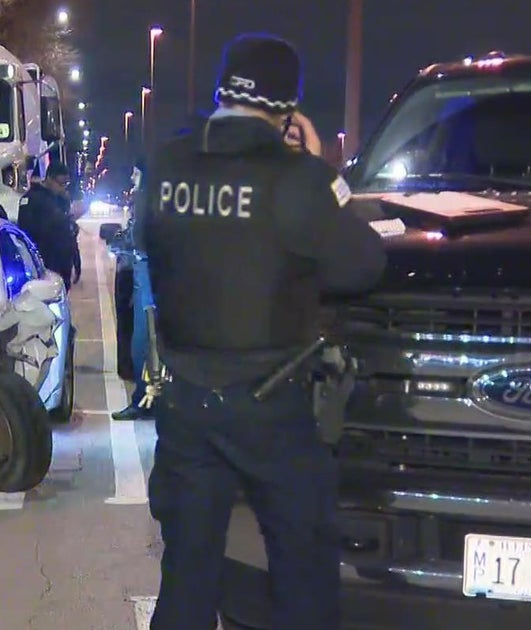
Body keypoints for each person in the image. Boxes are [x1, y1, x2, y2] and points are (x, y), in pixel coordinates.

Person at [137, 35, 386, 629]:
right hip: (275, 407)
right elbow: (364, 263)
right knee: (303, 576)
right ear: (288, 109)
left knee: (187, 578)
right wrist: (327, 172)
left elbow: (151, 242)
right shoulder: (298, 179)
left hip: (187, 403)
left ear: (223, 91)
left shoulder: (168, 163)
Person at [113, 158, 154, 421]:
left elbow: (134, 240)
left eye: (136, 174)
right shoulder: (160, 201)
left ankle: (143, 400)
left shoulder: (145, 203)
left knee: (143, 342)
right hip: (148, 276)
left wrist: (119, 243)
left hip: (147, 277)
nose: (132, 179)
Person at [17, 162, 76, 288]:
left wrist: (75, 260)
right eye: (60, 183)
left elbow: (68, 233)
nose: (63, 188)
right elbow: (27, 232)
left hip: (62, 262)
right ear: (49, 178)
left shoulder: (61, 199)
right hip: (44, 262)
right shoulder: (31, 199)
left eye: (66, 184)